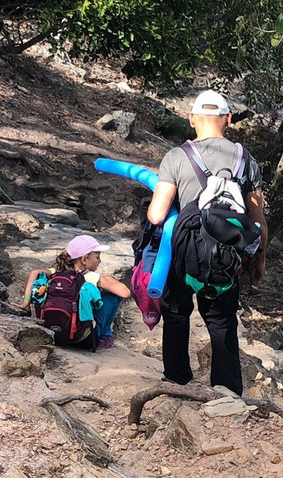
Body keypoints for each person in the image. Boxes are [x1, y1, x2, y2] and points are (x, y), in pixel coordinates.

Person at [145, 90, 269, 395]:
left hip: (182, 254)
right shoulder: (245, 160)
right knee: (222, 321)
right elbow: (258, 219)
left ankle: (177, 381)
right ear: (228, 119)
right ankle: (227, 392)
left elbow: (158, 214)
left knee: (176, 314)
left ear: (191, 119)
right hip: (226, 256)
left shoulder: (177, 156)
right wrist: (259, 260)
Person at [15, 234, 131, 349]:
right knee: (111, 296)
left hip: (55, 334)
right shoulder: (92, 277)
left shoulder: (56, 273)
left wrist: (26, 302)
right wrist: (108, 279)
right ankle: (104, 337)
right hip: (82, 340)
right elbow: (125, 293)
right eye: (97, 257)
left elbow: (34, 273)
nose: (99, 261)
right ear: (84, 259)